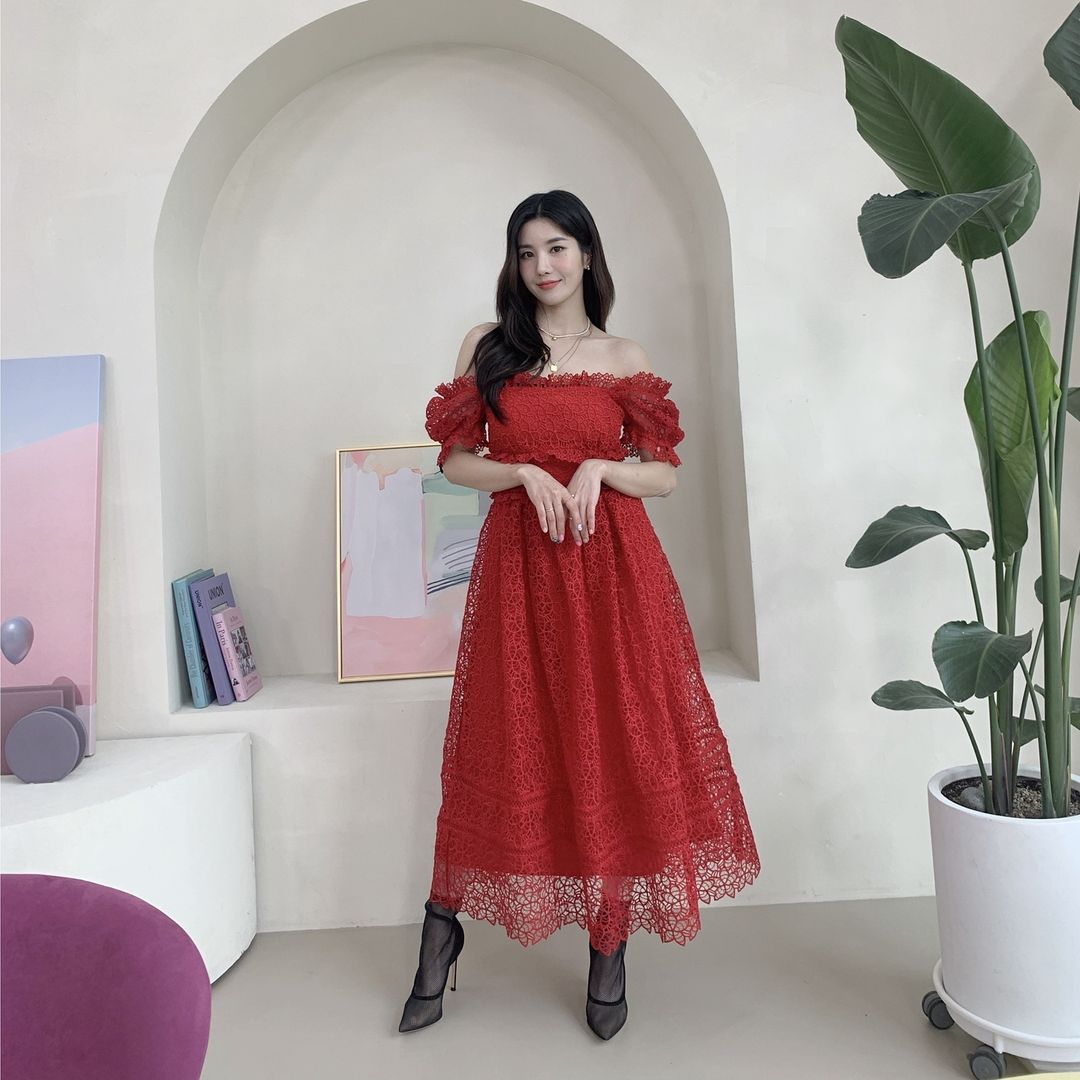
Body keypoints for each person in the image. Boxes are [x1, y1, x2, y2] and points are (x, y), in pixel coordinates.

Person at [399, 190, 759, 1040]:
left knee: (613, 743)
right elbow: (455, 461)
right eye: (527, 252)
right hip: (519, 571)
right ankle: (441, 931)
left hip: (614, 573)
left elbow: (663, 474)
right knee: (504, 737)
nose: (543, 266)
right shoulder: (489, 346)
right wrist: (523, 472)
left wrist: (601, 466)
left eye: (557, 248)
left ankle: (608, 940)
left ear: (587, 254)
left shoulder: (623, 355)